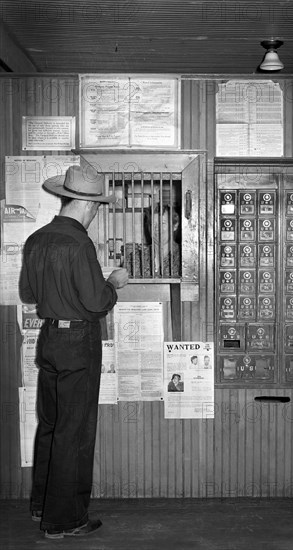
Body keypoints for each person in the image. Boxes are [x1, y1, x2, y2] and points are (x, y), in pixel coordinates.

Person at [19, 160, 129, 539]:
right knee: (75, 430)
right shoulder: (79, 242)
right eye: (97, 205)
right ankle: (65, 519)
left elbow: (29, 294)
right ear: (88, 205)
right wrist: (114, 282)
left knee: (50, 426)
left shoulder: (37, 239)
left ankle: (41, 506)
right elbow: (97, 302)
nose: (96, 211)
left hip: (49, 340)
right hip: (77, 344)